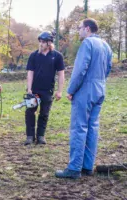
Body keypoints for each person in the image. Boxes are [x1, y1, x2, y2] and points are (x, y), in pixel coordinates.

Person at [55, 18, 112, 179]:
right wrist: (99, 81)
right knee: (93, 127)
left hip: (85, 89)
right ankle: (87, 166)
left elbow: (80, 70)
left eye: (80, 28)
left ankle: (74, 168)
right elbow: (108, 68)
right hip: (100, 88)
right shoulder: (106, 45)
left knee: (79, 128)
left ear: (87, 29)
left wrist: (71, 89)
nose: (78, 31)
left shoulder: (87, 44)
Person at [25, 31, 65, 145]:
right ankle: (30, 136)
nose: (41, 44)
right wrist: (29, 89)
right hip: (34, 90)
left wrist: (60, 91)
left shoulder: (57, 56)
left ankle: (41, 136)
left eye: (43, 42)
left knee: (44, 113)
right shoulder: (34, 55)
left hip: (48, 90)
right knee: (30, 113)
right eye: (40, 42)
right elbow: (30, 72)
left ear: (49, 43)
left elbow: (61, 74)